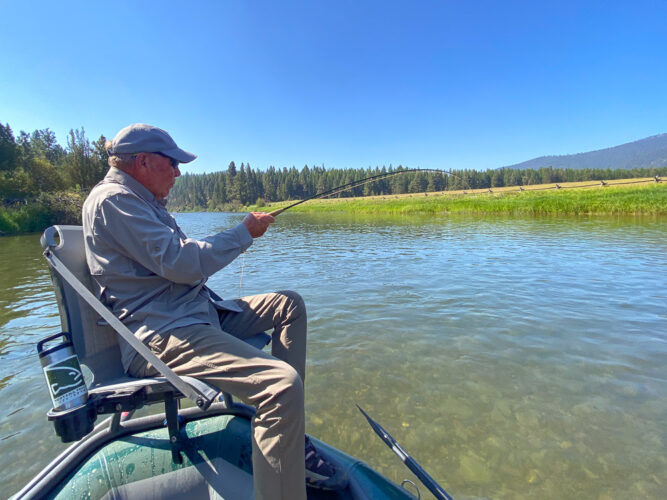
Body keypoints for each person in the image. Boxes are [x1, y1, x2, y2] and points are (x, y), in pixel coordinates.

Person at [82, 123, 344, 499]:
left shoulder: (141, 201)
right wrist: (243, 233)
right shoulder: (113, 201)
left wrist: (239, 235)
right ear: (141, 162)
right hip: (162, 333)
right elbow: (182, 262)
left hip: (196, 312)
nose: (177, 172)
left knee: (289, 305)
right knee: (281, 385)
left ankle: (289, 433)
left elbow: (178, 258)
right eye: (171, 163)